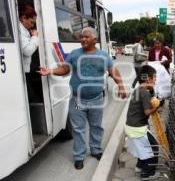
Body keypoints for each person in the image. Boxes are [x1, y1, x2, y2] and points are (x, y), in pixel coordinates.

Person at [39, 27, 126, 170]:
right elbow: (65, 69)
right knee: (78, 129)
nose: (83, 39)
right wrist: (51, 71)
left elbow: (113, 72)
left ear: (95, 40)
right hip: (78, 101)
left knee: (96, 126)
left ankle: (96, 150)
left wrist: (121, 86)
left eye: (86, 37)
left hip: (96, 100)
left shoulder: (104, 56)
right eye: (81, 37)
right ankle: (79, 156)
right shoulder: (74, 54)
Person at [125, 65, 160, 180]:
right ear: (148, 79)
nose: (155, 80)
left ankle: (140, 166)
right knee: (154, 147)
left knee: (142, 147)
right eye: (154, 77)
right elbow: (147, 112)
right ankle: (147, 173)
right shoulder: (144, 93)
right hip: (138, 128)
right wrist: (157, 106)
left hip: (131, 126)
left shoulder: (138, 89)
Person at [19, 4, 40, 102]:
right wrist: (35, 37)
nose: (32, 25)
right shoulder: (19, 30)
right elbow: (27, 51)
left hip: (26, 70)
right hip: (22, 72)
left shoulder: (24, 30)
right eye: (32, 22)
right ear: (23, 18)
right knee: (32, 99)